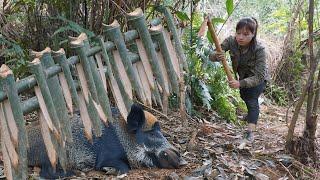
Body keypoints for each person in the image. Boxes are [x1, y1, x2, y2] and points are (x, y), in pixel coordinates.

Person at [210, 17, 268, 142]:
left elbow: (259, 76)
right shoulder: (231, 41)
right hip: (242, 77)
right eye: (238, 33)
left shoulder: (259, 50)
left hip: (258, 80)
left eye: (246, 34)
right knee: (244, 96)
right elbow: (213, 55)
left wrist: (240, 83)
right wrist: (216, 55)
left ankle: (250, 131)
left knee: (252, 101)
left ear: (253, 34)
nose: (241, 37)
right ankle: (250, 115)